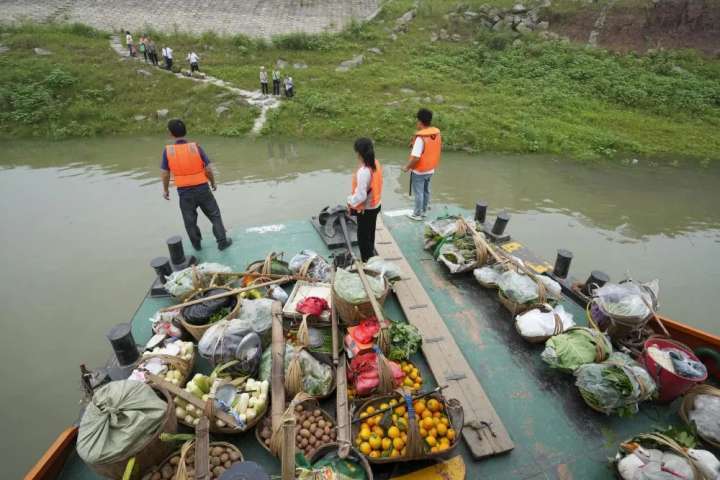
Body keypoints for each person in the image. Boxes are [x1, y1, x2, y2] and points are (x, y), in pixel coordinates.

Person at [161, 119, 232, 251]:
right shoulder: (195, 147)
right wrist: (213, 182)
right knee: (214, 215)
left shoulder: (168, 151)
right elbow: (208, 169)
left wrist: (165, 190)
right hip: (202, 188)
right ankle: (222, 241)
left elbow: (165, 174)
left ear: (171, 134)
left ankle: (197, 246)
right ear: (186, 131)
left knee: (190, 221)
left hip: (184, 192)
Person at [347, 138, 383, 262]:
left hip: (366, 210)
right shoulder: (376, 163)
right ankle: (371, 256)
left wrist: (350, 200)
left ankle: (367, 262)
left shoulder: (364, 171)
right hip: (376, 205)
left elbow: (361, 196)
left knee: (363, 238)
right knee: (370, 234)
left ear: (358, 152)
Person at [402, 108, 442, 221]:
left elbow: (415, 158)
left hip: (419, 171)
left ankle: (417, 214)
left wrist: (406, 167)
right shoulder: (436, 134)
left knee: (418, 193)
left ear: (420, 121)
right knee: (426, 191)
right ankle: (424, 211)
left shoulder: (420, 138)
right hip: (430, 169)